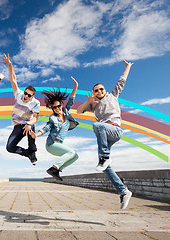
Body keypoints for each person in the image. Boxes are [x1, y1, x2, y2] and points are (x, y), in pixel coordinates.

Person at [77, 59, 134, 210]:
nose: (99, 92)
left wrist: (127, 67)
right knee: (105, 167)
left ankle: (104, 157)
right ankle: (124, 191)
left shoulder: (113, 95)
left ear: (105, 90)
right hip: (104, 135)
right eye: (96, 90)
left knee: (97, 125)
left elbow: (122, 80)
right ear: (94, 93)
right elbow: (79, 111)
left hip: (115, 130)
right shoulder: (94, 105)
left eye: (101, 89)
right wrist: (88, 101)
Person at [30, 77, 79, 181]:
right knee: (71, 153)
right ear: (52, 109)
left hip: (59, 144)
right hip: (51, 144)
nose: (57, 109)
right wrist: (36, 135)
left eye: (58, 106)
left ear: (61, 104)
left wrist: (75, 86)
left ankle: (57, 170)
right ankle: (53, 168)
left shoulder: (65, 111)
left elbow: (71, 99)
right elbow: (46, 128)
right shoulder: (53, 118)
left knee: (75, 156)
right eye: (54, 108)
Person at [1, 53, 40, 165]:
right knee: (9, 147)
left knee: (31, 127)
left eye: (29, 95)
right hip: (17, 126)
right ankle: (27, 153)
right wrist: (10, 65)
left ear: (32, 96)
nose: (26, 96)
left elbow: (36, 118)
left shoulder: (35, 103)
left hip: (27, 124)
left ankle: (32, 152)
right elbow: (13, 80)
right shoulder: (18, 94)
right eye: (25, 93)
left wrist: (29, 123)